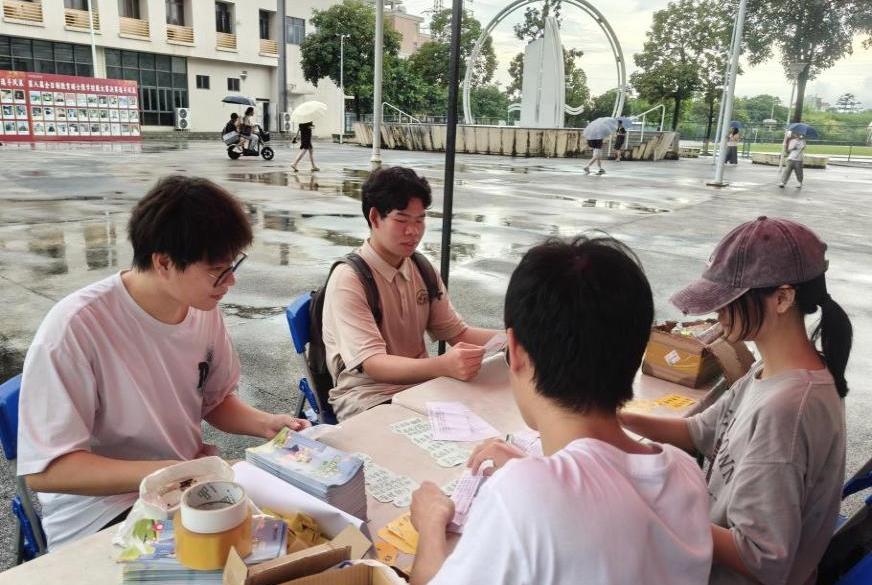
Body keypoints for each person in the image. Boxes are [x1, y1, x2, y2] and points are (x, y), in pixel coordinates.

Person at [17, 175, 310, 550]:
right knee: (235, 560)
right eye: (217, 270)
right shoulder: (75, 328)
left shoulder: (202, 307)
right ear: (164, 263)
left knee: (294, 533)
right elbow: (48, 471)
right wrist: (172, 473)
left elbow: (214, 400)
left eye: (232, 265)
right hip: (102, 513)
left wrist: (267, 423)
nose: (230, 282)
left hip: (185, 488)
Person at [409, 236, 713, 585]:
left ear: (515, 350)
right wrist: (538, 472)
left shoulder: (522, 495)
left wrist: (431, 523)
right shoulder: (686, 475)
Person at [621, 217, 852, 585]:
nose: (718, 313)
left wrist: (653, 513)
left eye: (729, 301)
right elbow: (700, 431)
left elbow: (761, 558)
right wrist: (614, 420)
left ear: (782, 298)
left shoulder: (787, 410)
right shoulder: (770, 370)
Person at [321, 166, 499, 420]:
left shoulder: (421, 268)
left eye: (420, 220)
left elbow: (458, 333)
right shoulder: (349, 279)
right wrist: (442, 365)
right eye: (402, 220)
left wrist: (517, 340)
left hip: (421, 389)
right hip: (368, 398)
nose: (413, 231)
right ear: (375, 218)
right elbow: (374, 363)